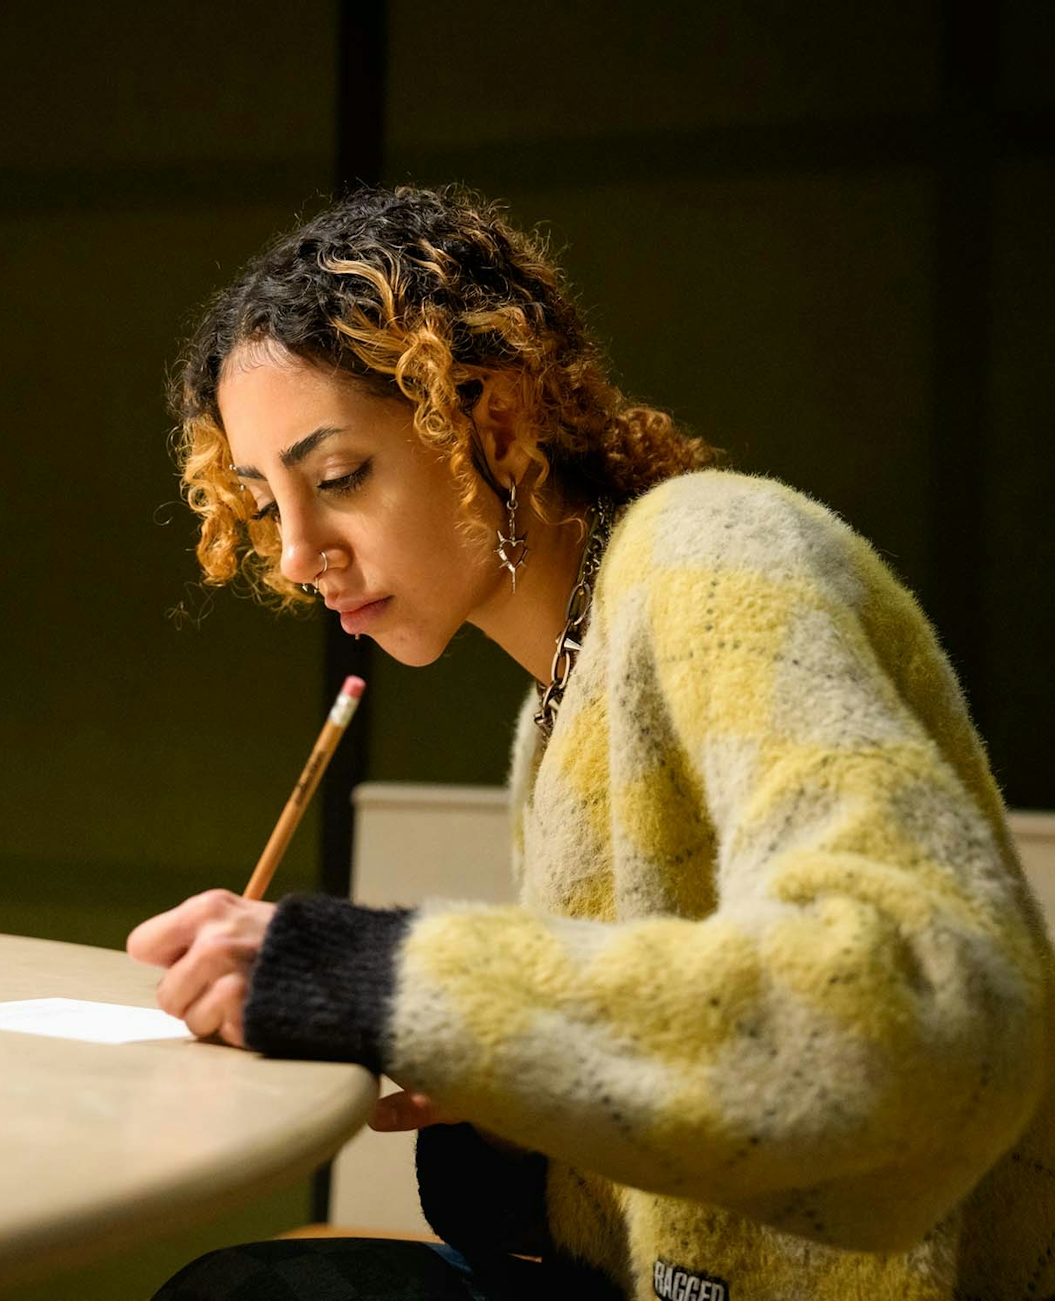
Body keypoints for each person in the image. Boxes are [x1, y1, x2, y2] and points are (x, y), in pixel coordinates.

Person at [127, 185, 1055, 1301]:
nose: (293, 553)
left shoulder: (719, 554)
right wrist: (507, 1080)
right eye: (267, 502)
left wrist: (383, 976)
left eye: (336, 478)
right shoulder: (558, 698)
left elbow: (923, 1008)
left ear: (493, 419)